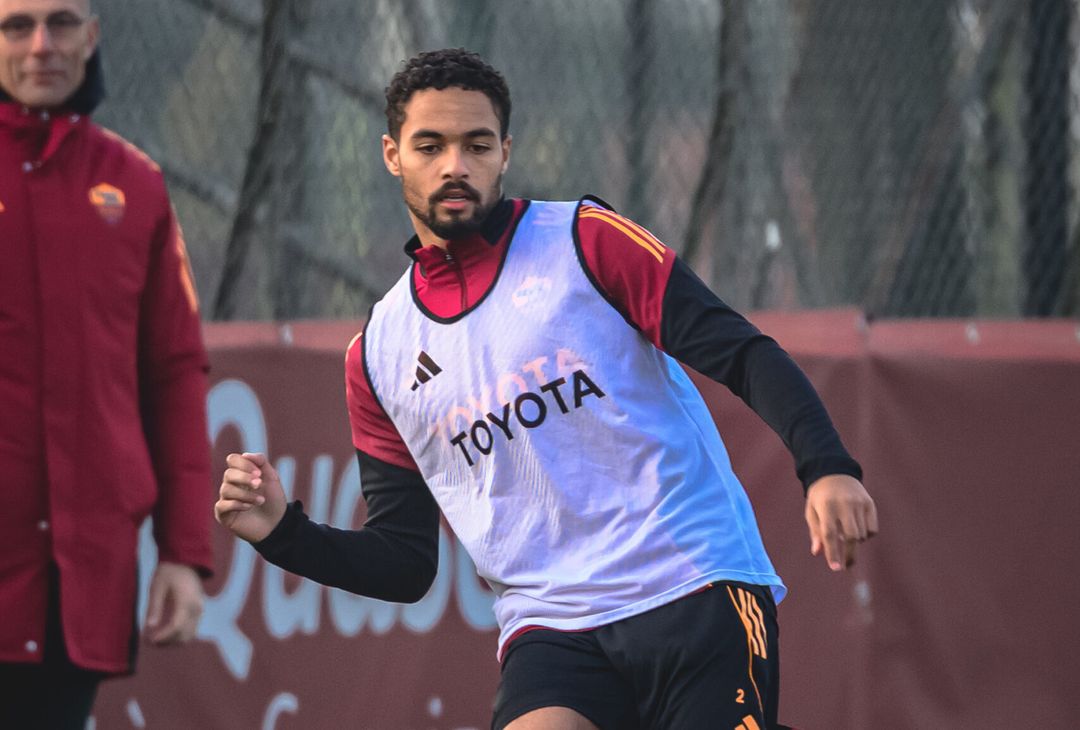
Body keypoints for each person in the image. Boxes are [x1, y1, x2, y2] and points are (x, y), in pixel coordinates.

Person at [216, 48, 877, 730]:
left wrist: (825, 467)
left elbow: (741, 352)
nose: (455, 165)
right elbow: (406, 562)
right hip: (553, 627)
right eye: (429, 146)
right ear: (392, 155)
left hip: (694, 584)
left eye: (476, 145)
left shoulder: (584, 240)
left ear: (505, 151)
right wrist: (283, 534)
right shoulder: (378, 354)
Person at [0, 1, 214, 727]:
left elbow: (176, 372)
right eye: (14, 26)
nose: (39, 46)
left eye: (61, 23)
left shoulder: (139, 186)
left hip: (80, 581)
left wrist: (184, 552)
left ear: (93, 36)